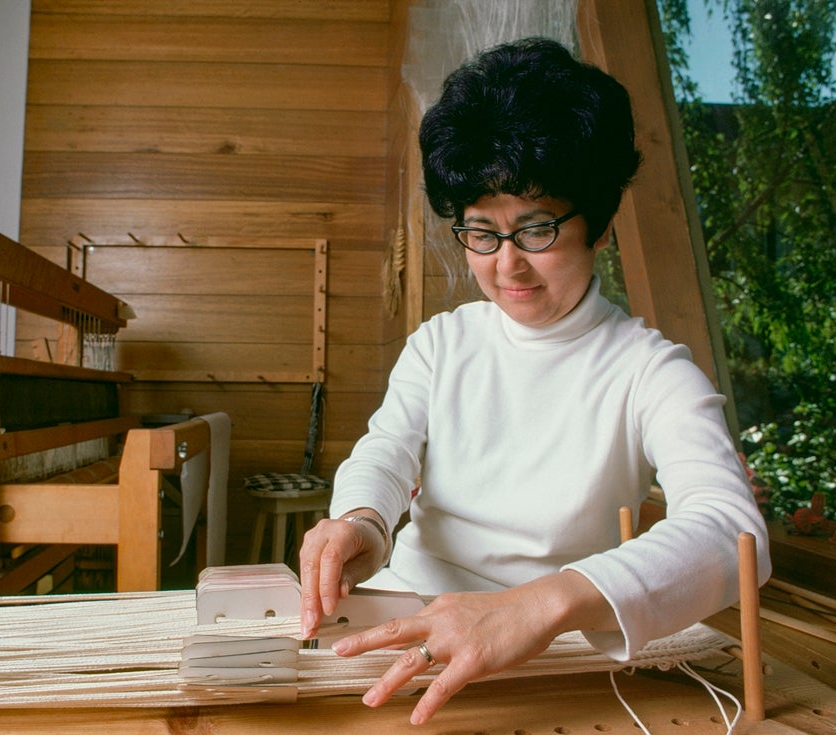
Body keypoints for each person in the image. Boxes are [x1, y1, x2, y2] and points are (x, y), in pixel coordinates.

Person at [298, 37, 770, 725]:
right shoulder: (441, 344)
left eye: (537, 229)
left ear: (600, 224)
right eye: (482, 232)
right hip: (405, 627)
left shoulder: (651, 370)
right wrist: (361, 520)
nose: (507, 265)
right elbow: (386, 450)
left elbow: (730, 530)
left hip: (553, 657)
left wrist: (538, 602)